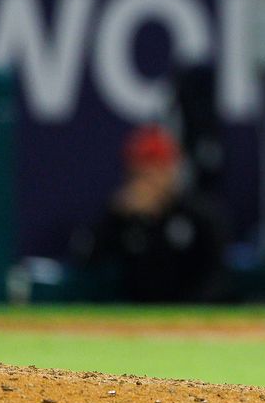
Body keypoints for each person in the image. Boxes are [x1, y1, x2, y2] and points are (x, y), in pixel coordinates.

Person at [72, 124, 227, 303]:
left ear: (172, 170)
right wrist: (114, 216)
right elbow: (84, 257)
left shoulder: (198, 213)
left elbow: (217, 277)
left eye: (157, 167)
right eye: (142, 168)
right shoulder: (124, 215)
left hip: (190, 316)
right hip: (136, 317)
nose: (149, 176)